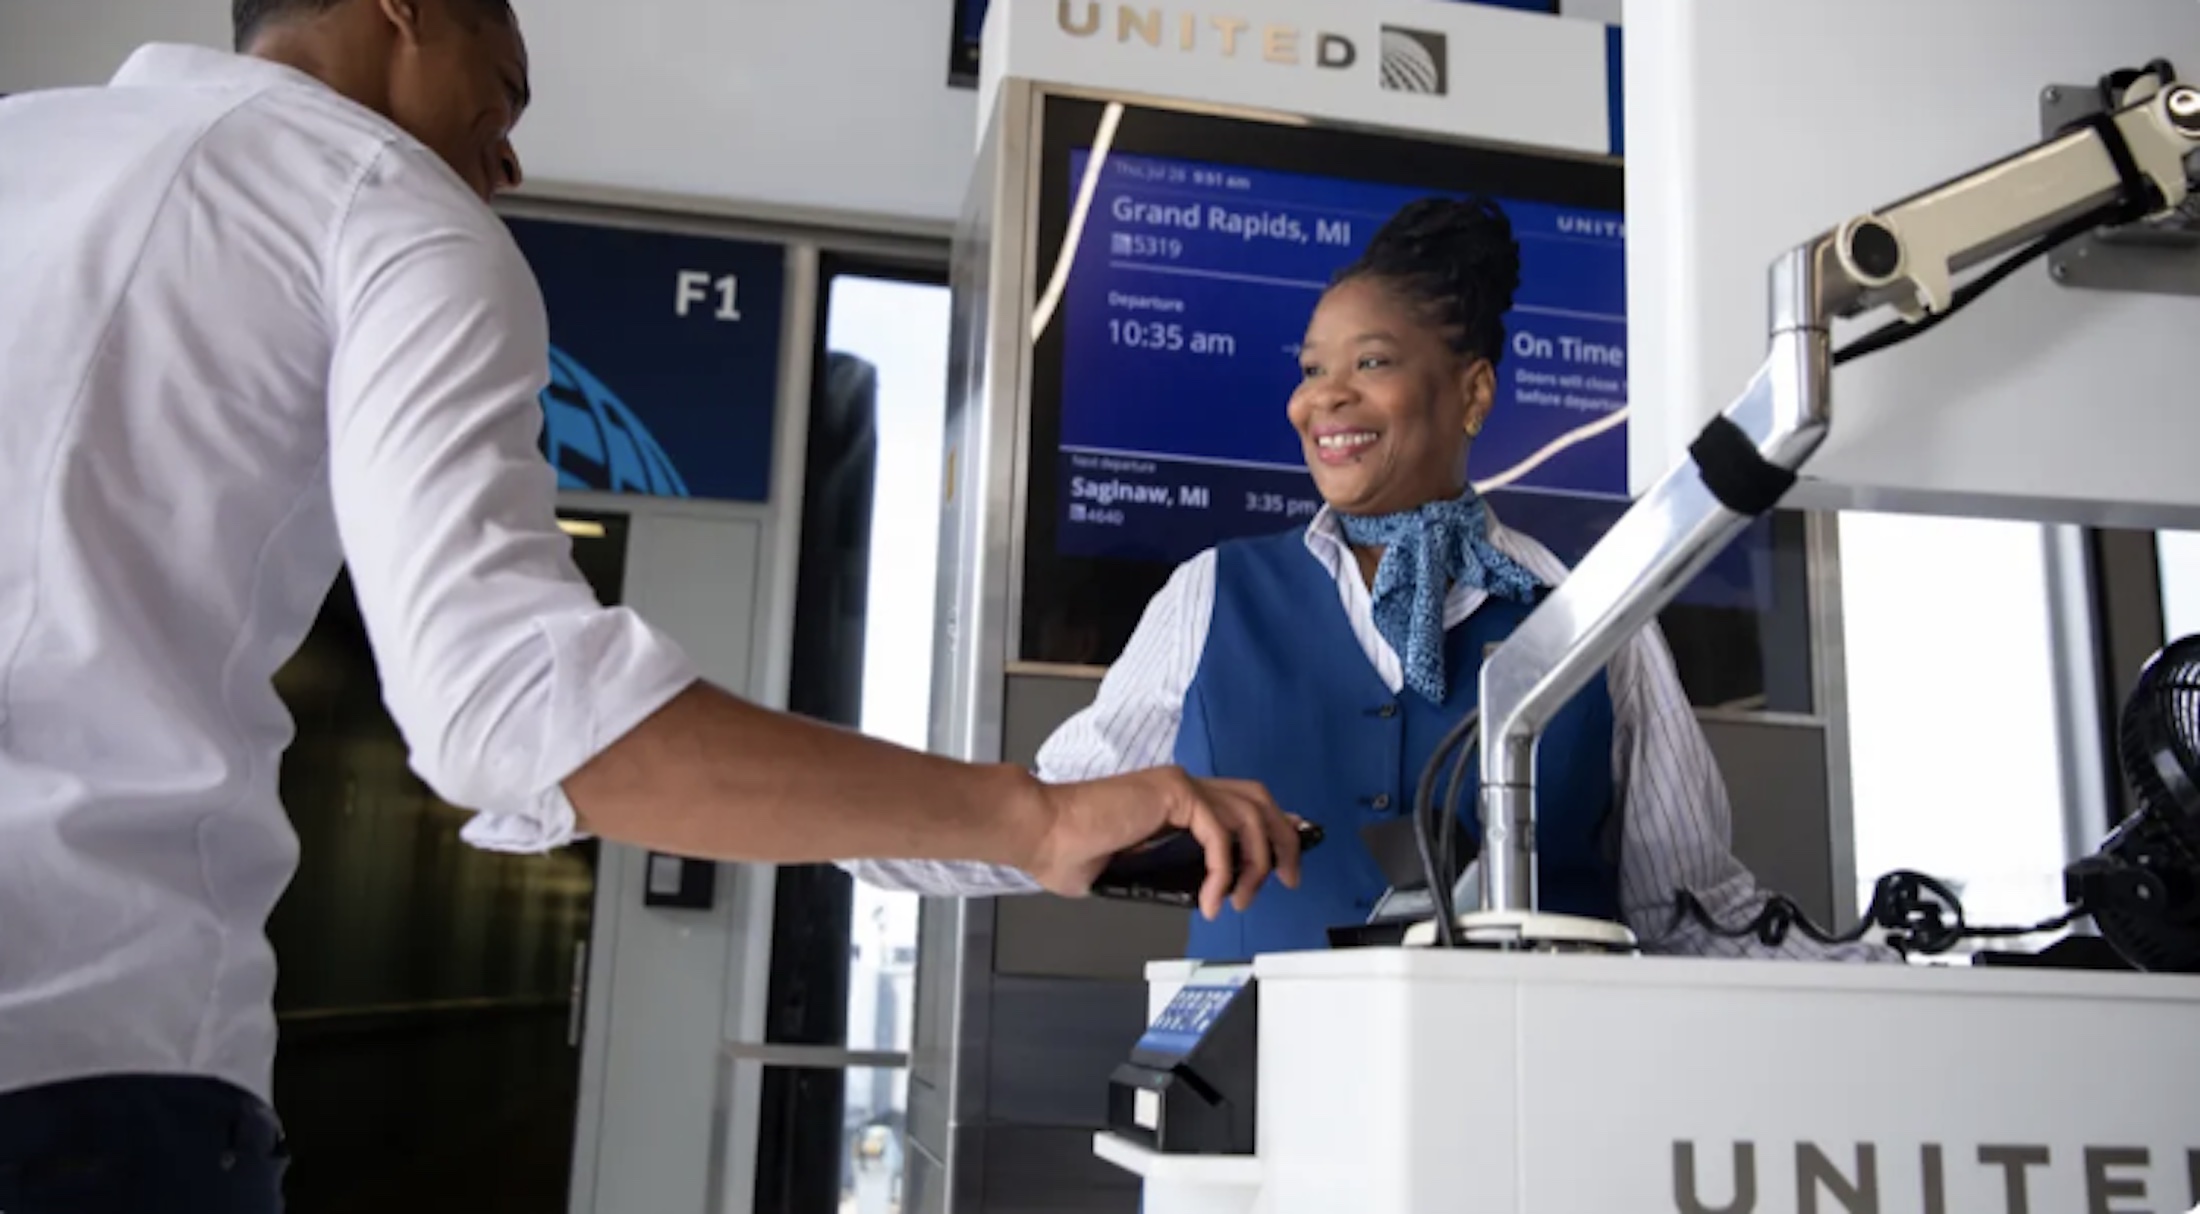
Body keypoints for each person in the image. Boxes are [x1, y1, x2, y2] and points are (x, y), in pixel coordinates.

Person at [0, 1, 1301, 1209]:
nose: (502, 164)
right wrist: (1041, 816)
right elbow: (508, 704)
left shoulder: (25, 143)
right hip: (82, 1056)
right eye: (503, 102)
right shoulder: (385, 208)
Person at [849, 196, 1896, 966]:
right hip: (1257, 1110)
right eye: (1310, 366)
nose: (1324, 397)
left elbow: (1687, 907)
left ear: (1472, 390)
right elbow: (1054, 814)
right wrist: (843, 821)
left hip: (1532, 1107)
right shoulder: (1210, 595)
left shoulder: (1592, 613)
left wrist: (1884, 976)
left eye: (1373, 361)